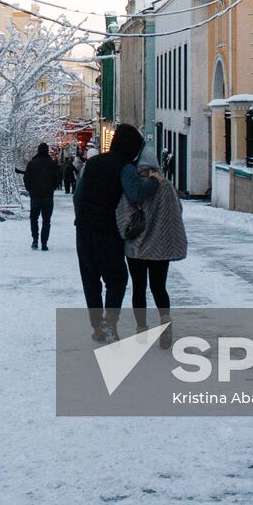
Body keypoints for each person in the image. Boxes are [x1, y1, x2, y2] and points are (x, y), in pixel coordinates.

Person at [72, 124, 154, 343]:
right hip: (108, 230)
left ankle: (97, 327)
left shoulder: (94, 163)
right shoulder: (125, 167)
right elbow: (136, 192)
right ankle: (110, 321)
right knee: (116, 278)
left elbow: (77, 195)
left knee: (90, 279)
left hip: (84, 229)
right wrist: (154, 182)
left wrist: (82, 217)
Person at [116, 149, 187, 350]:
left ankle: (141, 330)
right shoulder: (167, 186)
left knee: (139, 287)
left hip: (137, 247)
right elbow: (178, 210)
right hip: (161, 247)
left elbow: (123, 214)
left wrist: (126, 233)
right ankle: (165, 321)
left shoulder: (135, 186)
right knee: (159, 286)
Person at [21, 143, 59, 251]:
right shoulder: (52, 164)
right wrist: (52, 188)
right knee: (46, 220)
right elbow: (57, 178)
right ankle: (44, 242)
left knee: (34, 218)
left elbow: (26, 178)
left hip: (35, 195)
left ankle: (35, 239)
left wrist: (30, 189)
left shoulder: (32, 164)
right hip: (48, 195)